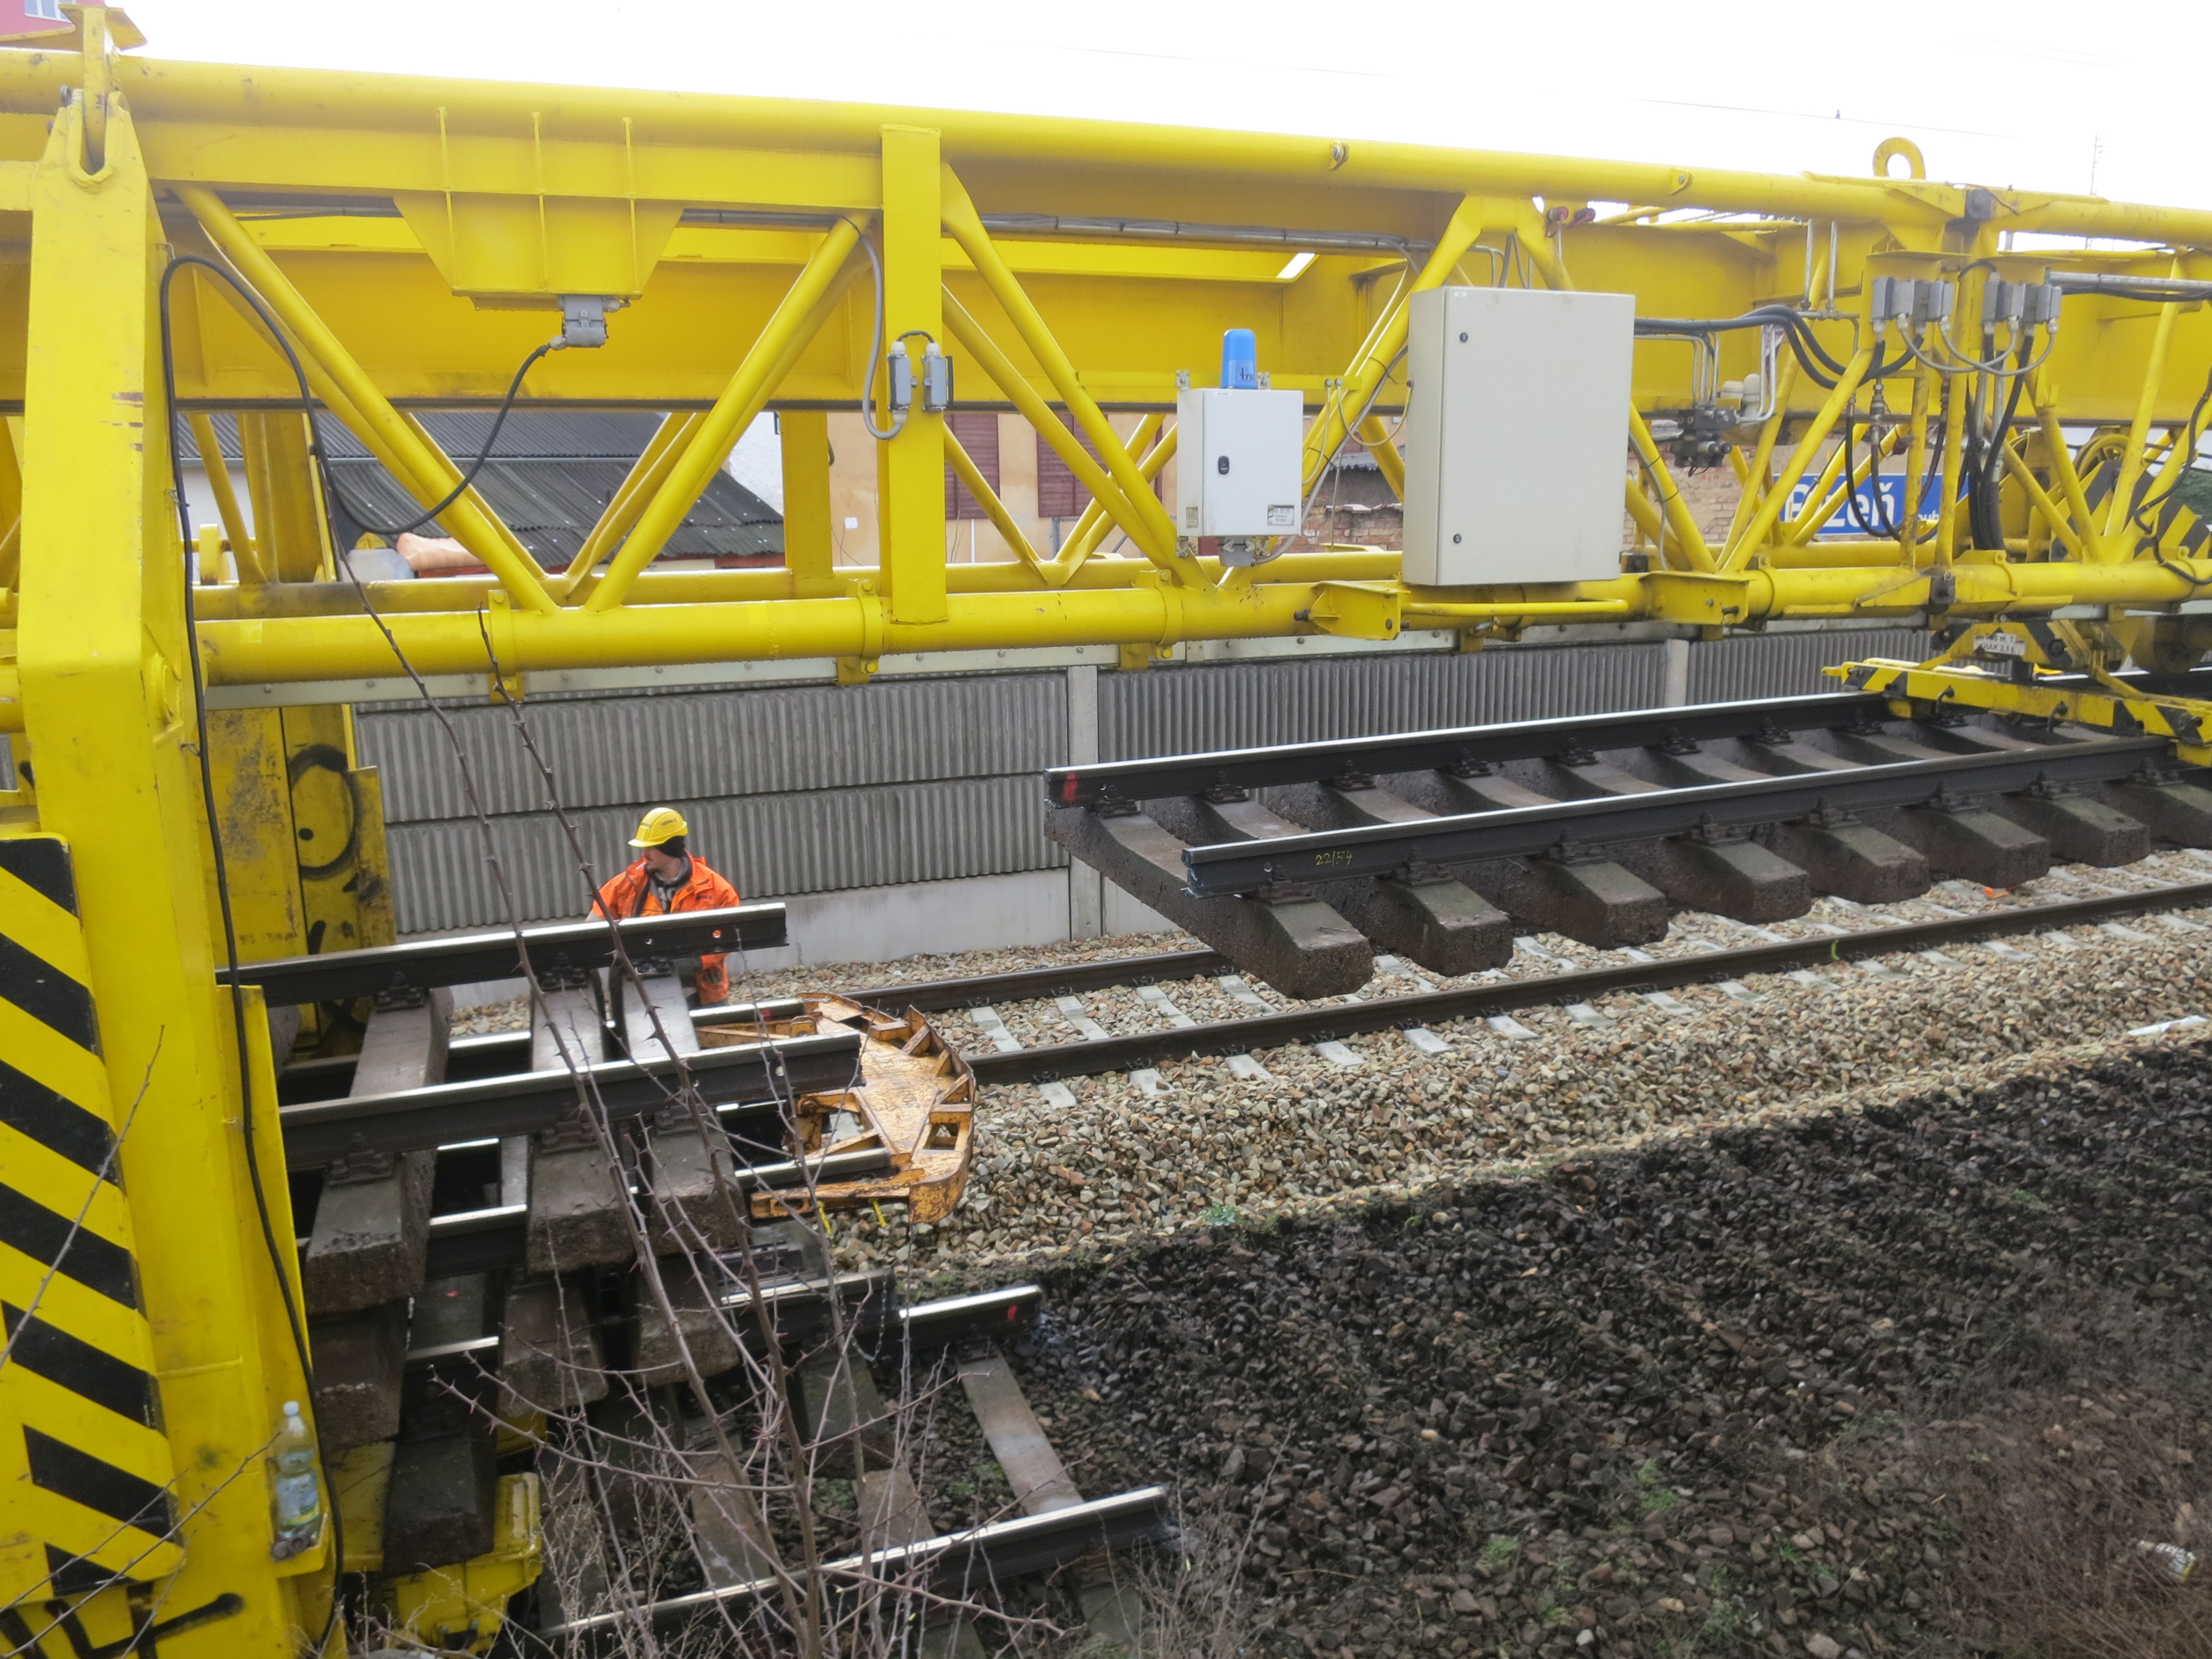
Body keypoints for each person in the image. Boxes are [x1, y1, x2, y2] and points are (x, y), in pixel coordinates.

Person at [591, 807, 743, 1005]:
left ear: (669, 848)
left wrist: (694, 962)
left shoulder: (717, 889)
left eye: (651, 847)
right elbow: (591, 930)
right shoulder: (626, 884)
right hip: (642, 996)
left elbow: (729, 937)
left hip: (703, 993)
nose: (644, 854)